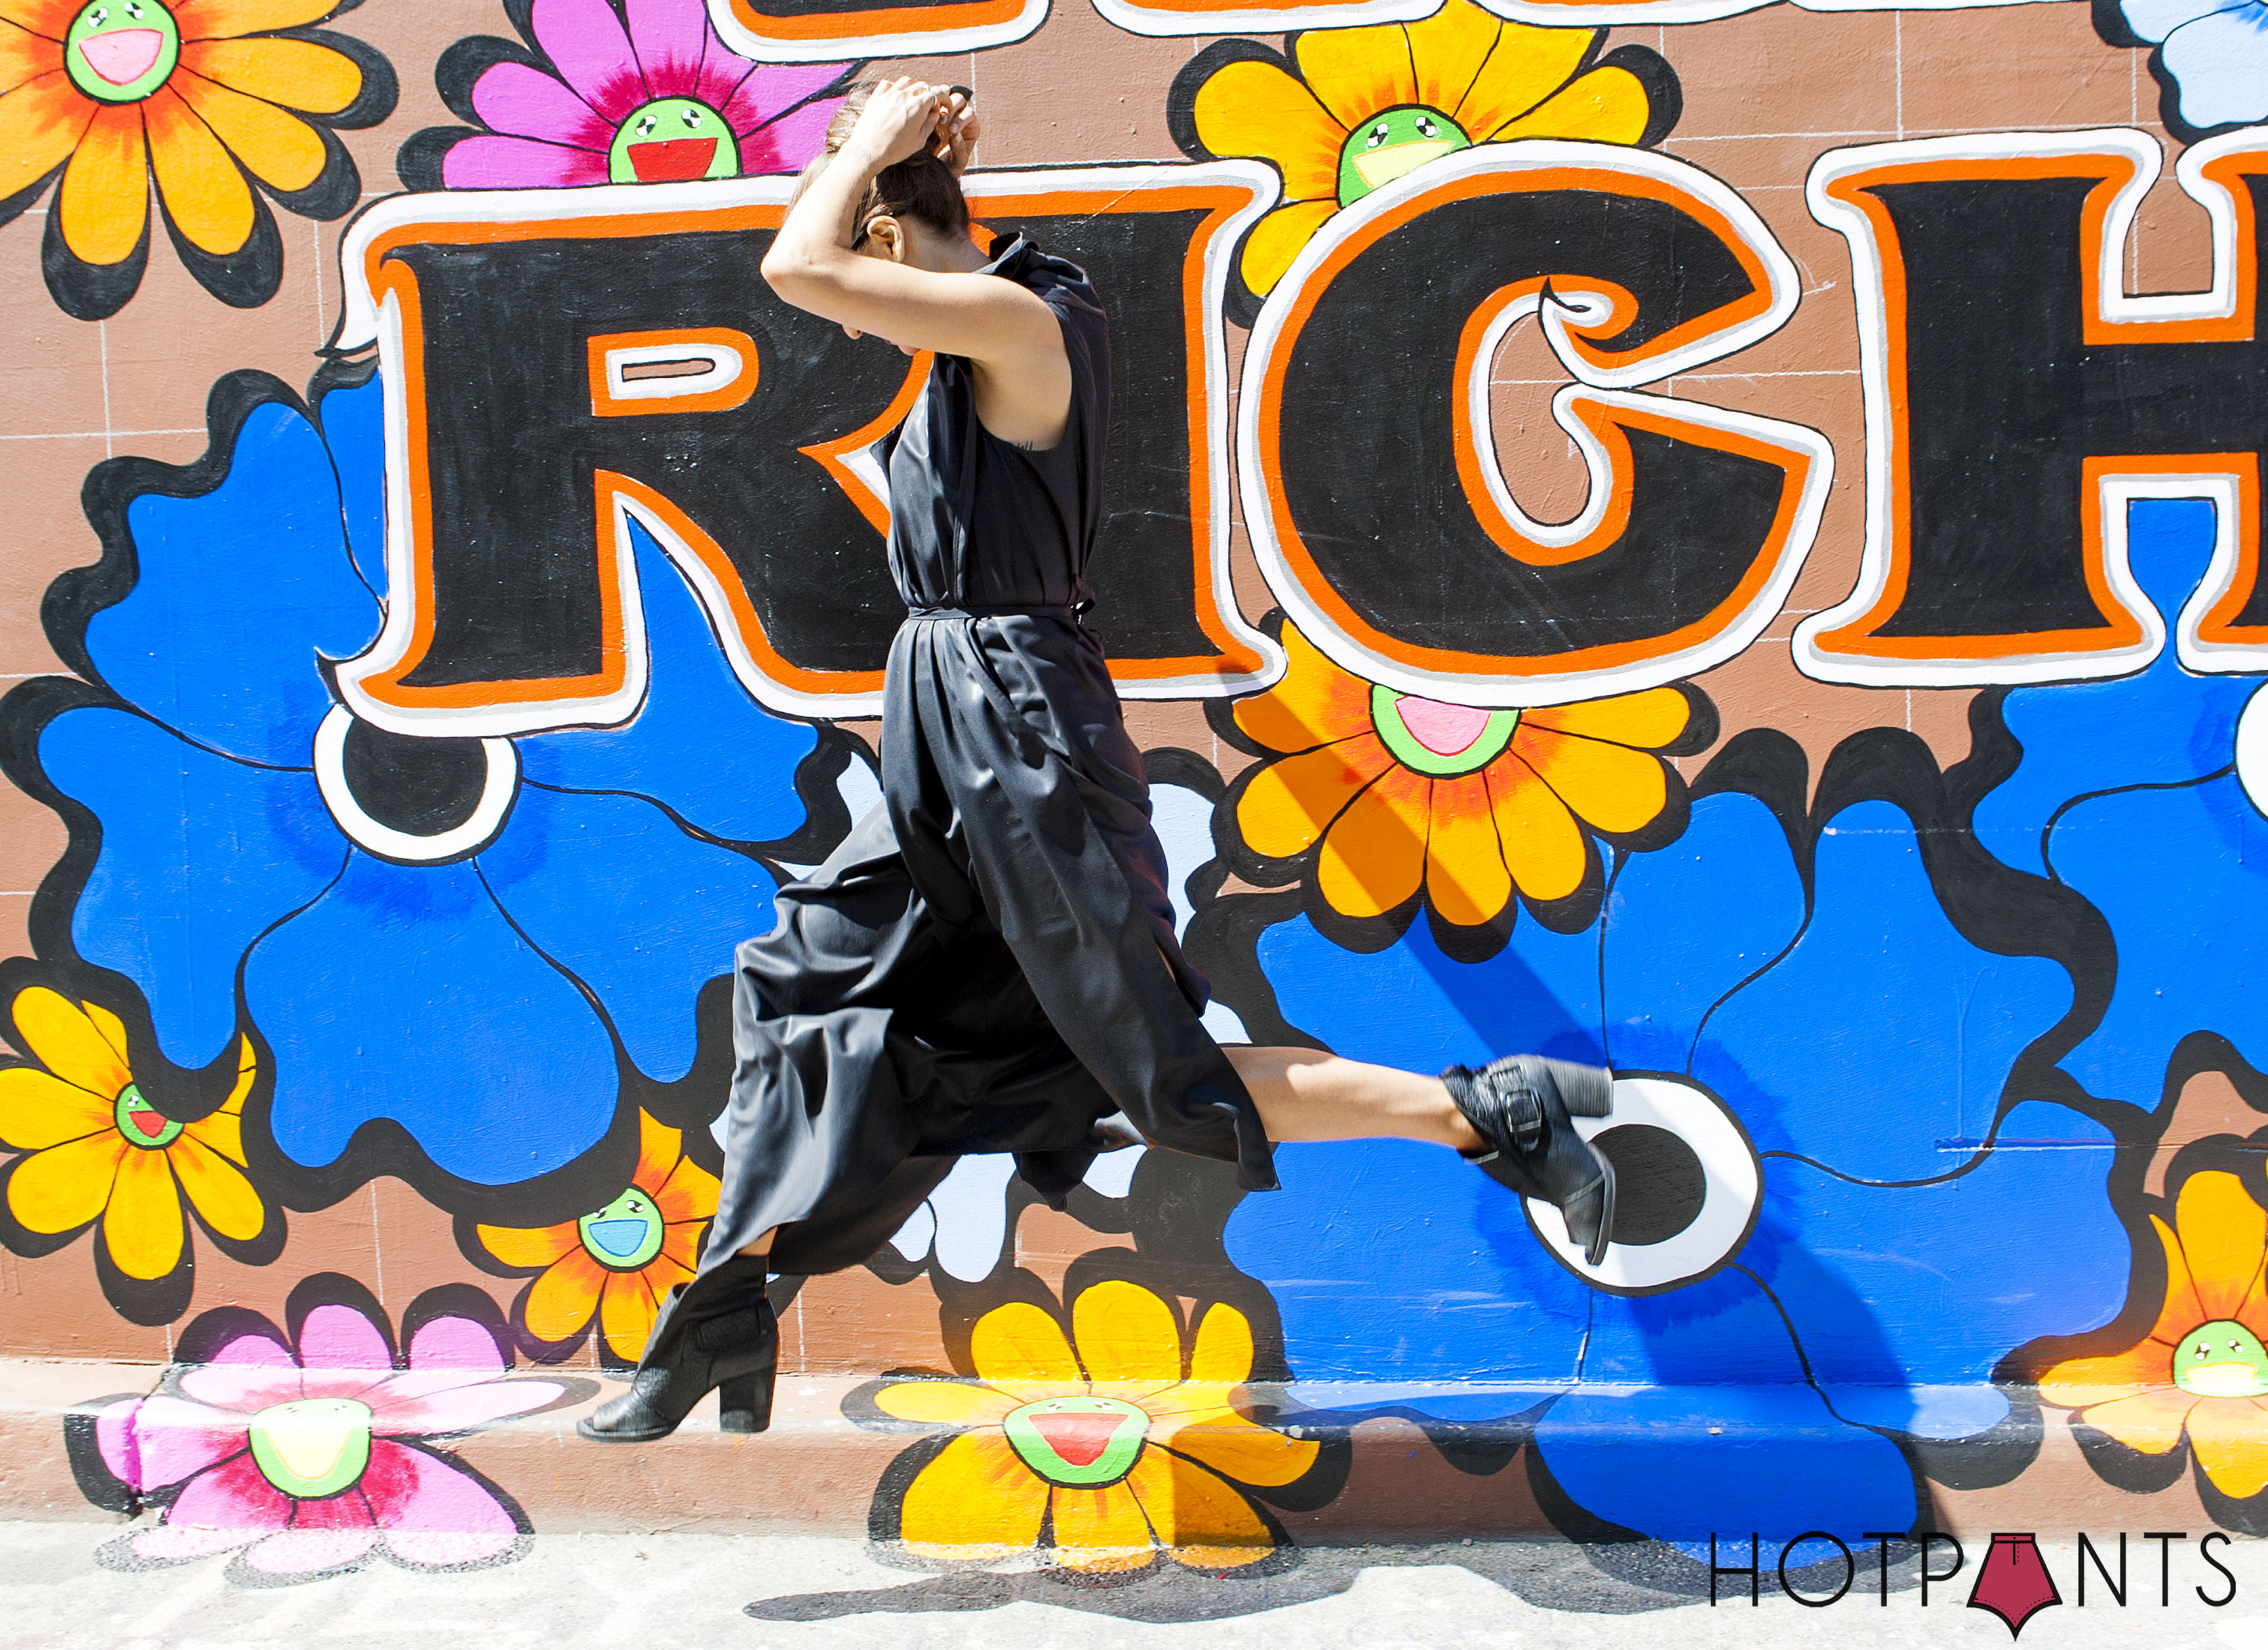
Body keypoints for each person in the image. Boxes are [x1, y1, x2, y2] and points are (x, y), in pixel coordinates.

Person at [578, 79, 1614, 1444]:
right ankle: (728, 1303)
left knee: (1146, 1058)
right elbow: (823, 268)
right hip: (950, 735)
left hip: (1023, 732)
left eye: (865, 230)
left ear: (887, 240)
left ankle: (1489, 1109)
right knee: (798, 982)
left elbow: (793, 264)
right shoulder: (975, 333)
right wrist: (888, 159)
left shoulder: (1022, 323)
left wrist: (878, 151)